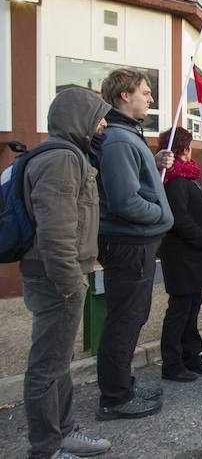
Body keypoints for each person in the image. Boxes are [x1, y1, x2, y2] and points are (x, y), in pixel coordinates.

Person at [20, 88, 113, 458]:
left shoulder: (66, 154)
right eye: (99, 116)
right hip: (56, 277)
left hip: (60, 274)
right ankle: (46, 449)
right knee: (47, 367)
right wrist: (68, 281)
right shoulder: (61, 159)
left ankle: (63, 433)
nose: (103, 123)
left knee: (58, 362)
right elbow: (55, 230)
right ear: (80, 117)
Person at [94, 68, 173, 420]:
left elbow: (131, 184)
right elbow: (124, 201)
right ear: (125, 96)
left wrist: (151, 164)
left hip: (133, 243)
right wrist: (161, 214)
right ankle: (115, 397)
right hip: (128, 244)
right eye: (145, 92)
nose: (150, 99)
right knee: (124, 320)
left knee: (132, 317)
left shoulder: (126, 136)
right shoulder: (119, 139)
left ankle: (121, 384)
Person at [156, 127, 202, 382]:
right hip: (182, 255)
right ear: (184, 147)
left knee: (192, 307)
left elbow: (197, 203)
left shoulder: (187, 177)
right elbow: (179, 218)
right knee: (180, 310)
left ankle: (191, 355)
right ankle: (172, 362)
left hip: (193, 255)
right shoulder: (175, 181)